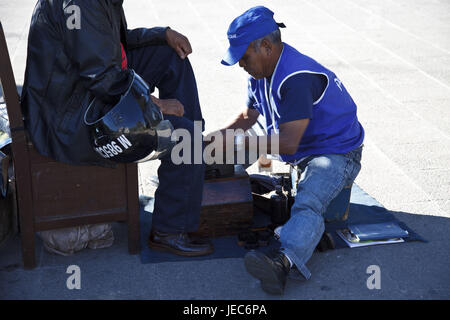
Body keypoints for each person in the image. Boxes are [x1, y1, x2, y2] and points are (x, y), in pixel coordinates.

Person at [21, 0, 213, 256]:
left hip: (82, 92)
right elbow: (103, 79)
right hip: (71, 119)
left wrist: (162, 33)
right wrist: (158, 106)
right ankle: (169, 229)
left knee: (169, 56)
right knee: (183, 136)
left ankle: (191, 168)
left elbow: (114, 44)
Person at [219, 6, 364, 294]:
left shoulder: (296, 78)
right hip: (294, 137)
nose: (240, 64)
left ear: (266, 47)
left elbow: (287, 144)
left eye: (243, 57)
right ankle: (199, 181)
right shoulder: (259, 71)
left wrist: (241, 144)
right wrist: (216, 139)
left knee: (309, 202)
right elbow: (248, 116)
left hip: (334, 152)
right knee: (228, 145)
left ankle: (283, 262)